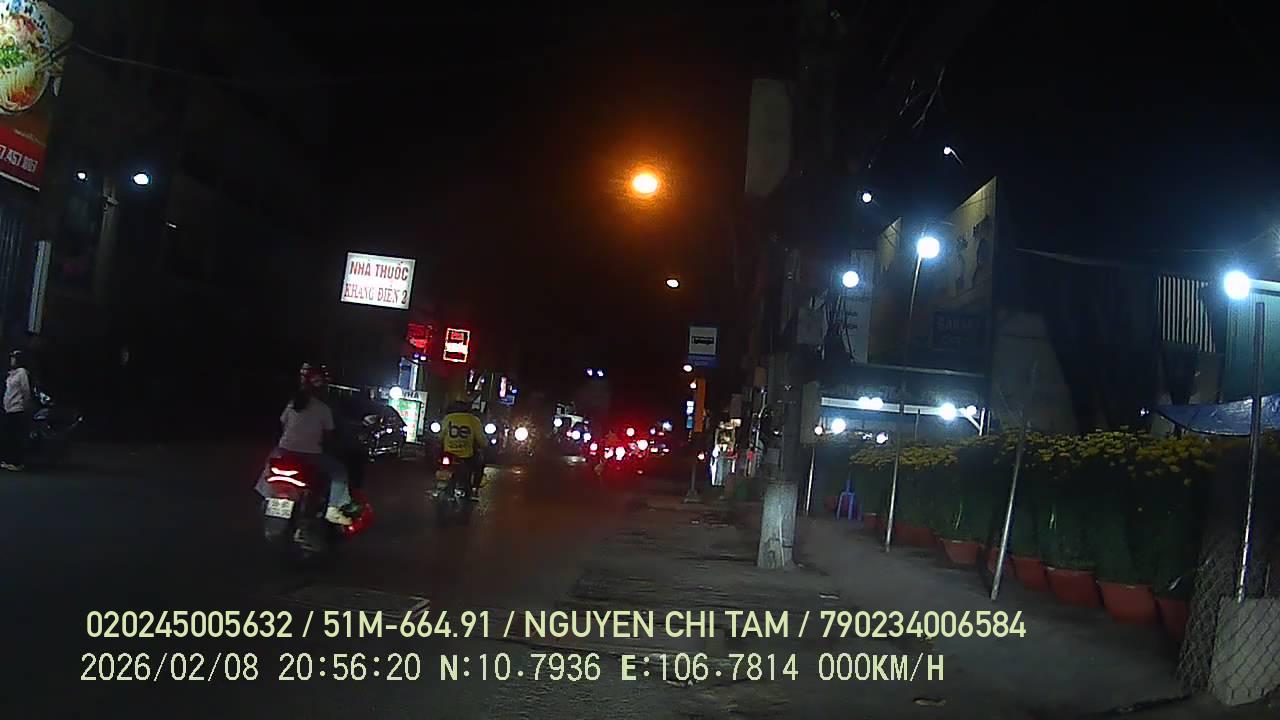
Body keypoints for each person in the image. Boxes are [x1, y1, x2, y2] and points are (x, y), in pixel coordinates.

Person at [260, 365, 361, 525]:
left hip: (283, 451)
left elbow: (283, 424)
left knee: (267, 469)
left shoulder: (293, 404)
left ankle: (267, 498)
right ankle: (333, 508)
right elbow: (328, 436)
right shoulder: (323, 409)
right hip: (310, 455)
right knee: (339, 473)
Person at [441, 399, 486, 499]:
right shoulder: (473, 420)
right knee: (479, 465)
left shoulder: (447, 418)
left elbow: (440, 436)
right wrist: (485, 446)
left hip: (448, 453)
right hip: (466, 455)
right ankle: (474, 488)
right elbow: (481, 440)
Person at [1, 350, 32, 471]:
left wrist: (25, 404)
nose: (12, 360)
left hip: (17, 408)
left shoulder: (22, 372)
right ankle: (10, 460)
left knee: (16, 436)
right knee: (10, 436)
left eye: (14, 358)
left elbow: (25, 390)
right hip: (8, 408)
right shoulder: (11, 374)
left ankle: (17, 462)